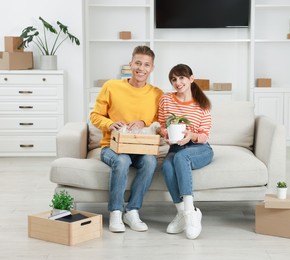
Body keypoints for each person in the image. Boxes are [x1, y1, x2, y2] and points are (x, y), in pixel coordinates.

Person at [90, 46, 163, 233]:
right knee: (122, 161)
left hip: (141, 148)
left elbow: (160, 122)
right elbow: (95, 116)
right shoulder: (111, 87)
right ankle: (115, 211)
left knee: (149, 162)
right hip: (112, 147)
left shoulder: (157, 94)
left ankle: (132, 211)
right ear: (130, 64)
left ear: (152, 68)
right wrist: (109, 124)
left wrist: (144, 121)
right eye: (138, 63)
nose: (141, 68)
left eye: (146, 65)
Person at [157, 64, 214, 239]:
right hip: (176, 146)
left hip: (200, 148)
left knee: (181, 157)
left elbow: (204, 136)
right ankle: (184, 213)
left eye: (181, 77)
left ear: (191, 78)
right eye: (173, 79)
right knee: (167, 167)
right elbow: (160, 125)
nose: (177, 82)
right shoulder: (166, 100)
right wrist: (165, 134)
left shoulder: (202, 103)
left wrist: (191, 135)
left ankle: (189, 214)